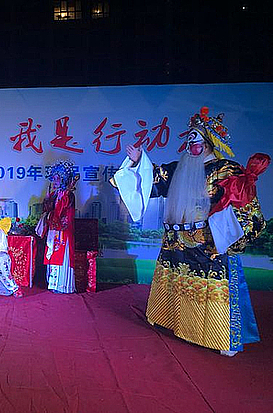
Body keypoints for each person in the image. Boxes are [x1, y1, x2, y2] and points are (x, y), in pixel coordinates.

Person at [112, 107, 270, 356]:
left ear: (208, 143)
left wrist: (230, 238)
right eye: (188, 140)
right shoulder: (178, 169)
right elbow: (150, 181)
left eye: (195, 140)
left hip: (206, 243)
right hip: (175, 243)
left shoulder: (225, 170)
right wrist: (138, 160)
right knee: (178, 283)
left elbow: (244, 205)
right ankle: (176, 323)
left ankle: (222, 338)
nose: (189, 145)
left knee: (211, 290)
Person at [41, 160, 78, 294]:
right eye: (53, 178)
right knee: (52, 256)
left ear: (63, 179)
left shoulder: (69, 195)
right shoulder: (54, 195)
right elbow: (46, 210)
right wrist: (47, 200)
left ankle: (62, 285)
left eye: (58, 178)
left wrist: (56, 221)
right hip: (53, 230)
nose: (55, 181)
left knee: (61, 255)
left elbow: (66, 215)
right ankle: (52, 283)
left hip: (62, 232)